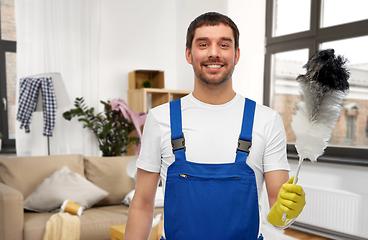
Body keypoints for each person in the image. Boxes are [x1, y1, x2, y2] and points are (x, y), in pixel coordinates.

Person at [124, 12, 306, 240]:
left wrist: (285, 213)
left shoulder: (267, 120)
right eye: (203, 44)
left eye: (223, 44)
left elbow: (278, 211)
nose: (214, 53)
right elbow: (142, 204)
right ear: (189, 54)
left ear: (236, 54)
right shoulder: (160, 119)